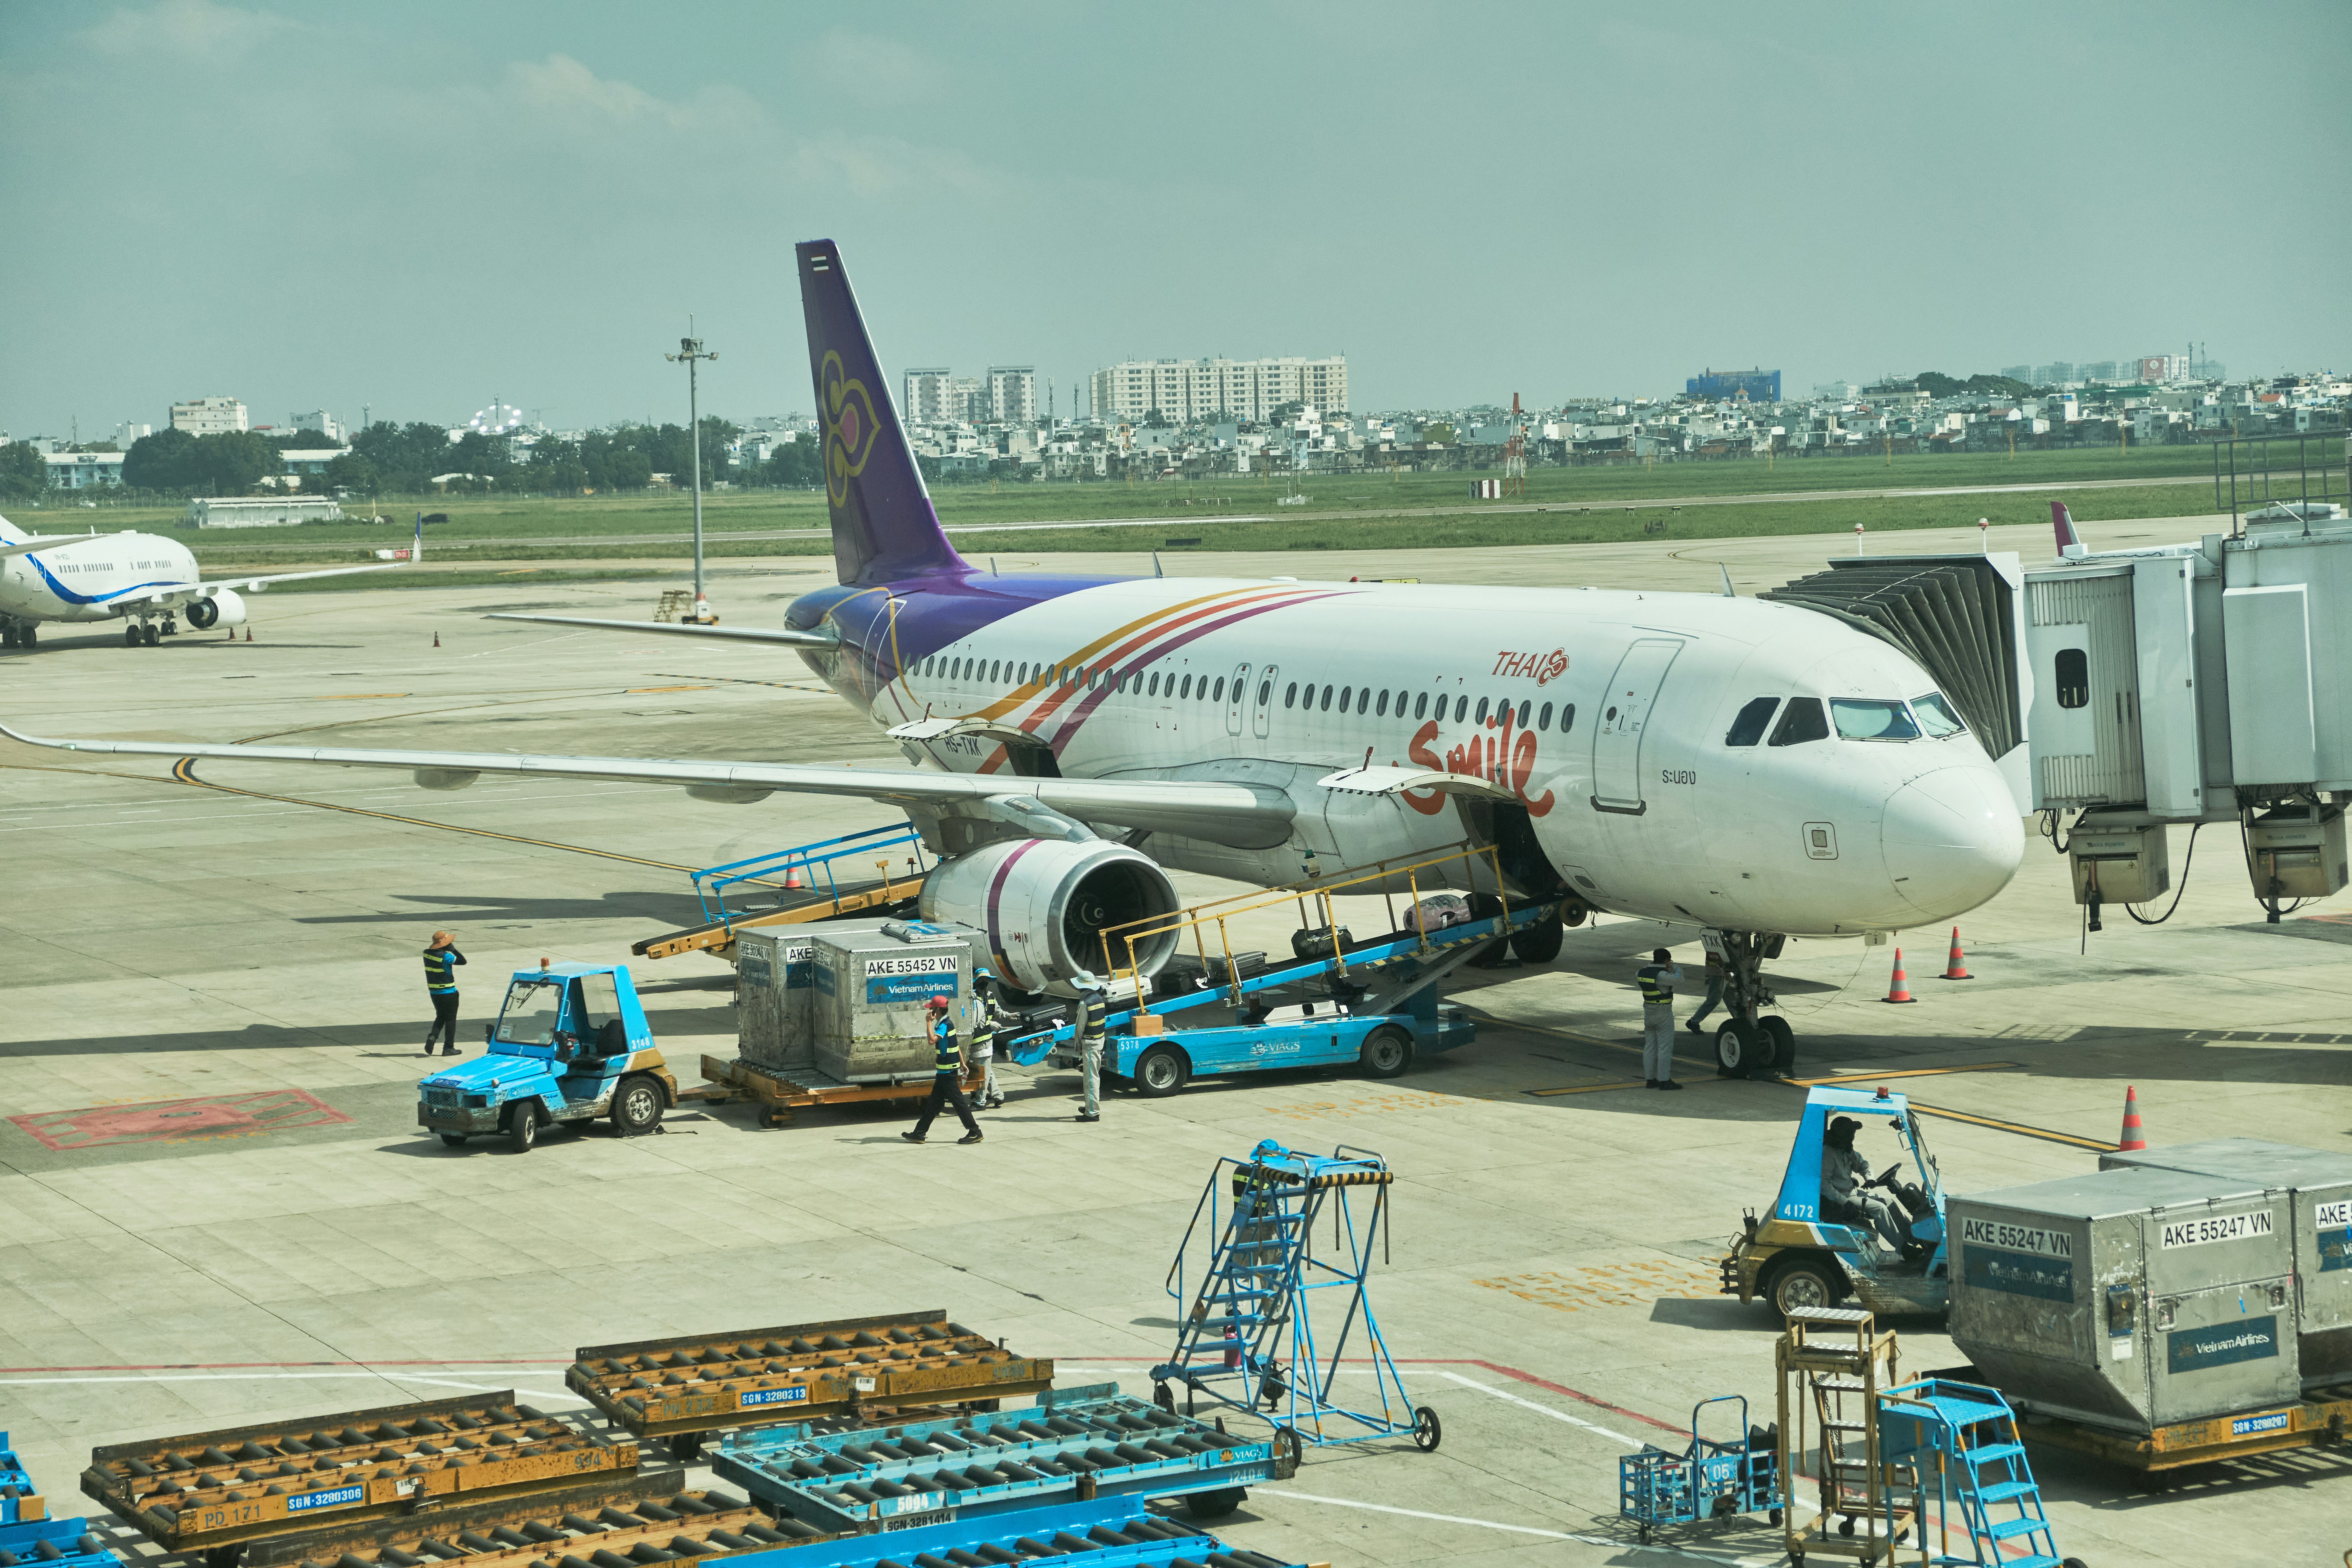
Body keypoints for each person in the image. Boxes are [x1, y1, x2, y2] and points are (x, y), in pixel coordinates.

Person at [902, 995, 982, 1145]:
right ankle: (919, 1133)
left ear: (938, 1010)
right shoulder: (947, 1024)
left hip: (947, 1074)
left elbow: (932, 1041)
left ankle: (975, 1132)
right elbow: (956, 1045)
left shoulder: (944, 1025)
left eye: (932, 1008)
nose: (930, 1010)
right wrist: (963, 1063)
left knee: (959, 1104)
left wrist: (928, 1024)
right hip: (944, 1073)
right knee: (933, 1105)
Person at [1821, 1116, 1906, 1255]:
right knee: (1880, 1209)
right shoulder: (1829, 1154)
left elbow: (1862, 1165)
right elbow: (1824, 1185)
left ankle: (1913, 1239)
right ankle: (1903, 1248)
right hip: (1844, 1198)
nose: (1853, 1137)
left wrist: (1869, 1179)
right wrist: (1845, 1203)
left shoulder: (1846, 1150)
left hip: (1854, 1192)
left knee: (1890, 1203)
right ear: (1842, 1136)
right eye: (1850, 1134)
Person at [1634, 947, 1685, 1090]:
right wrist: (1675, 967)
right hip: (1663, 1013)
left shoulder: (1641, 973)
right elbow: (1680, 980)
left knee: (1650, 1047)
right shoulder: (1662, 976)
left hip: (1648, 1012)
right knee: (1664, 1048)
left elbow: (1644, 973)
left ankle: (1650, 1080)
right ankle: (1664, 1081)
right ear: (1666, 961)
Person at [421, 931, 466, 1056]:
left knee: (441, 1016)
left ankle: (433, 1037)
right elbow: (463, 961)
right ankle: (448, 1048)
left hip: (434, 993)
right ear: (446, 945)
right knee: (451, 1020)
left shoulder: (426, 954)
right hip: (449, 992)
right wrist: (454, 950)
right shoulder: (446, 957)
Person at [1071, 970, 1106, 1123]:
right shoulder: (1098, 999)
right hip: (1099, 1042)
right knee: (1093, 1077)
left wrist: (1078, 1044)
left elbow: (1080, 1027)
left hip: (1090, 1044)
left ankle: (1092, 1113)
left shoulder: (1086, 1003)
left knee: (1091, 1080)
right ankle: (1089, 1106)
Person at [973, 975, 1007, 1110]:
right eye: (982, 980)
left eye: (987, 980)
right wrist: (990, 1024)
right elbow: (974, 1021)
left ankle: (981, 1102)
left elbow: (998, 1012)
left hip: (984, 1042)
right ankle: (998, 1096)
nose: (985, 982)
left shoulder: (991, 996)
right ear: (977, 981)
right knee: (987, 1070)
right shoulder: (973, 998)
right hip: (979, 1040)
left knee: (982, 1073)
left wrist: (1010, 1016)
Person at [1686, 942, 1727, 1035]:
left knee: (1734, 998)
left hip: (1729, 969)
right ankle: (1694, 1022)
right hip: (1720, 970)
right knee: (1714, 999)